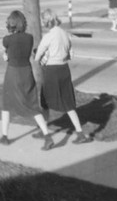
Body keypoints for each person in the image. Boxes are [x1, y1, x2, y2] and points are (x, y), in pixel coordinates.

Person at [0, 10, 55, 151]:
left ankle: (5, 137)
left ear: (11, 25)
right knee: (32, 105)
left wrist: (6, 56)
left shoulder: (7, 40)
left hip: (12, 73)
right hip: (27, 73)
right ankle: (47, 136)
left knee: (6, 104)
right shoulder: (29, 38)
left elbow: (7, 53)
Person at [34, 9, 93, 144]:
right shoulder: (65, 34)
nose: (43, 24)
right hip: (64, 70)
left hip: (51, 71)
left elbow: (37, 57)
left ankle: (43, 131)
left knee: (45, 103)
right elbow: (71, 55)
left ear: (47, 22)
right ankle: (80, 133)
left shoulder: (48, 37)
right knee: (68, 103)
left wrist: (41, 55)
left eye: (43, 21)